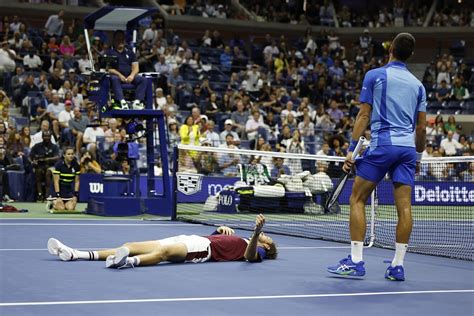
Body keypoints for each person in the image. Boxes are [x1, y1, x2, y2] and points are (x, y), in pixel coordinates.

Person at [327, 33, 426, 281]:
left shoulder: (375, 75)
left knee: (357, 198)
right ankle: (397, 265)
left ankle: (356, 261)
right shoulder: (418, 85)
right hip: (406, 150)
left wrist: (352, 149)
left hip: (383, 145)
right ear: (411, 55)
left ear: (390, 49)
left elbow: (363, 116)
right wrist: (418, 155)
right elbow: (422, 129)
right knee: (404, 207)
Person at [47, 214, 277, 269]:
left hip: (202, 249)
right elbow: (224, 240)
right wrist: (220, 229)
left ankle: (127, 263)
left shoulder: (259, 248)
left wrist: (257, 233)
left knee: (165, 253)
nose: (266, 236)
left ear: (266, 246)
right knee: (131, 243)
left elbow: (248, 257)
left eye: (268, 239)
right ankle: (77, 254)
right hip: (195, 238)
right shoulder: (243, 238)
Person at [106, 30, 146, 110]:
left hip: (129, 76)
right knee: (114, 78)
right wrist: (120, 75)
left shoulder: (130, 52)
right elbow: (108, 68)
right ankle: (122, 102)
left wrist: (132, 75)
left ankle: (137, 102)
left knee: (143, 80)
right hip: (117, 76)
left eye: (122, 39)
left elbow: (136, 67)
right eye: (118, 39)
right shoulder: (109, 52)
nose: (120, 41)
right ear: (114, 40)